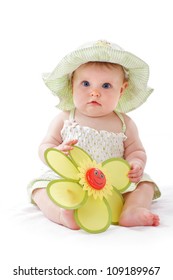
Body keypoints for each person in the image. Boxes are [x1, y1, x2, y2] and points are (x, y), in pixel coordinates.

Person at [28, 40, 161, 230]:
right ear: (71, 85)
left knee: (145, 184)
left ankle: (132, 209)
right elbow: (45, 146)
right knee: (40, 188)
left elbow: (136, 150)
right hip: (70, 179)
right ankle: (61, 213)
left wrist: (136, 163)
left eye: (106, 86)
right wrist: (55, 151)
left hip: (112, 183)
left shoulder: (125, 123)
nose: (95, 92)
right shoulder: (65, 118)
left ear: (121, 90)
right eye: (85, 83)